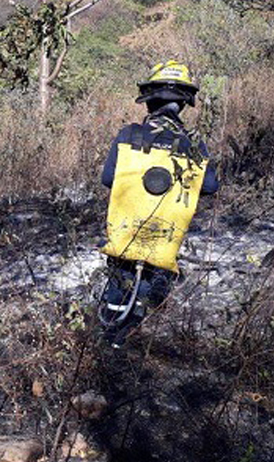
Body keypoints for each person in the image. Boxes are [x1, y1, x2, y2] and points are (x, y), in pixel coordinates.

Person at [98, 60, 219, 347]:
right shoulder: (192, 144)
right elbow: (211, 186)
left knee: (117, 294)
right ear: (184, 104)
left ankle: (108, 348)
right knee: (147, 295)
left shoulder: (129, 135)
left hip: (126, 235)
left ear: (149, 102)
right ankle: (130, 343)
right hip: (164, 239)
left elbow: (108, 179)